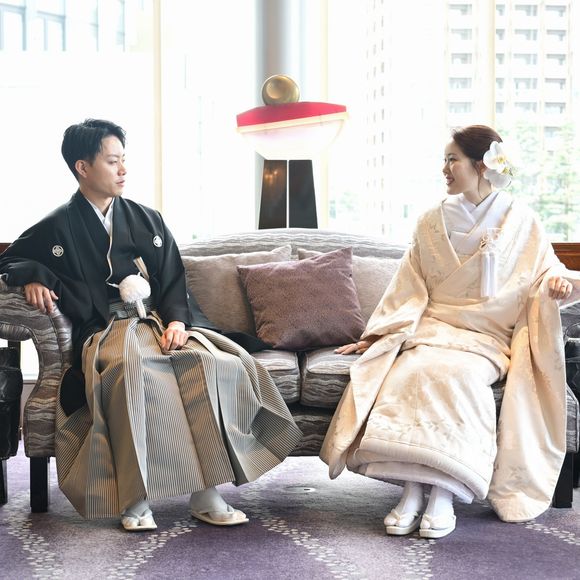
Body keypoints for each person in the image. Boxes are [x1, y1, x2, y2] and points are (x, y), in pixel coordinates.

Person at [0, 119, 302, 531]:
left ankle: (206, 490)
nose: (123, 170)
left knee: (211, 363)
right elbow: (10, 259)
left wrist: (178, 320)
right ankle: (135, 494)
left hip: (158, 321)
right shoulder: (58, 224)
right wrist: (35, 275)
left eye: (123, 160)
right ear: (82, 168)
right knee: (130, 371)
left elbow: (173, 276)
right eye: (112, 161)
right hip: (108, 328)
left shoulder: (147, 219)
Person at [320, 125, 579, 539]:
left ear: (482, 165)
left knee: (457, 377)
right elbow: (409, 284)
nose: (444, 168)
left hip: (486, 338)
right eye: (445, 160)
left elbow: (546, 272)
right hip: (434, 329)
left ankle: (442, 494)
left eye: (452, 159)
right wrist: (381, 334)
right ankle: (411, 492)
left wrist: (556, 286)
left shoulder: (523, 220)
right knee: (408, 371)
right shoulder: (431, 220)